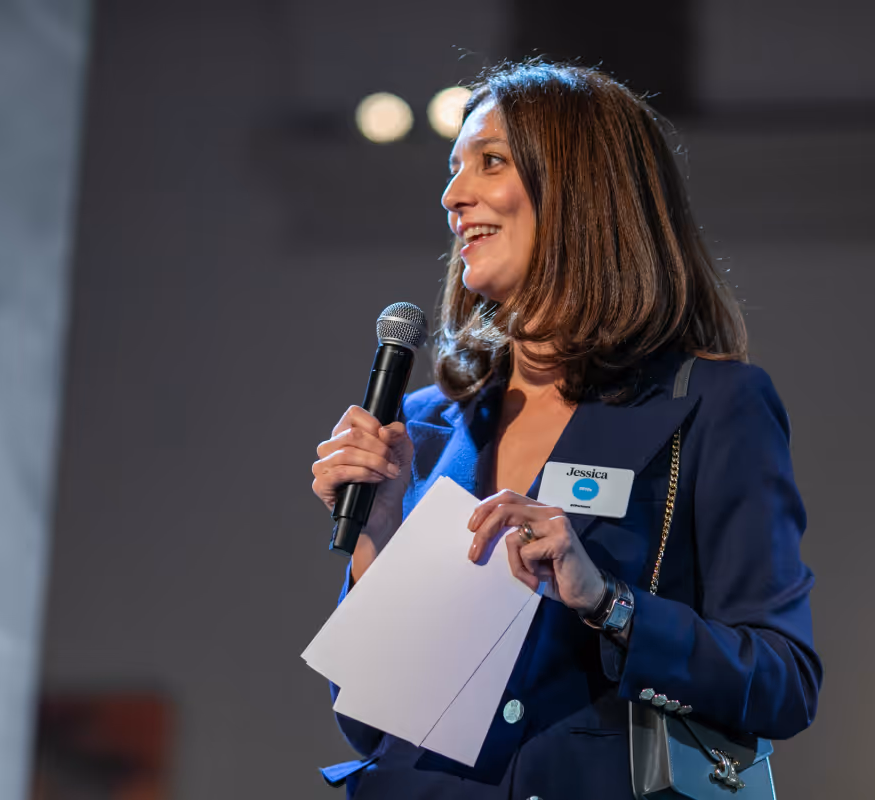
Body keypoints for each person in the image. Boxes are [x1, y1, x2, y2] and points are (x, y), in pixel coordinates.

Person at [310, 61, 822, 799]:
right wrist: (376, 537)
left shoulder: (714, 404)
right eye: (454, 170)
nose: (453, 197)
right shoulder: (423, 427)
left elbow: (783, 682)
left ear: (584, 190)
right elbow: (370, 727)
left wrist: (607, 604)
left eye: (490, 162)